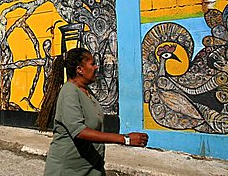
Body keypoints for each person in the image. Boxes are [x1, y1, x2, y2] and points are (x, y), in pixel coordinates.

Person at [38, 47, 148, 176]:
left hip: (90, 169)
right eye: (92, 64)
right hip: (67, 171)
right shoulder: (69, 93)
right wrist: (125, 139)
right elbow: (79, 131)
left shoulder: (86, 91)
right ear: (80, 69)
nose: (96, 67)